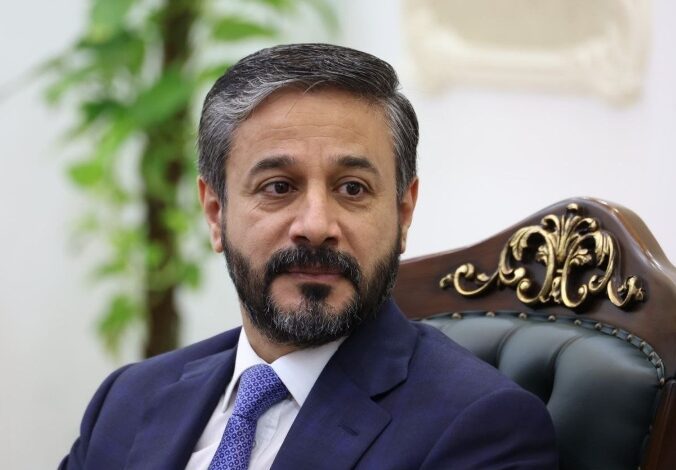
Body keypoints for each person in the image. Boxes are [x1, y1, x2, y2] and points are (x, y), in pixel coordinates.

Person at [60, 43, 558, 470]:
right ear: (215, 213)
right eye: (278, 187)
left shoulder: (482, 429)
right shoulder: (127, 400)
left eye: (352, 188)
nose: (317, 225)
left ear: (403, 213)